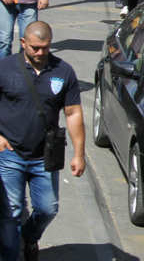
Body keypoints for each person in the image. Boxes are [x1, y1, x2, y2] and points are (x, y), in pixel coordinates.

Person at [0, 21, 85, 261]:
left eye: (45, 48)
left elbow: (73, 113)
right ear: (23, 43)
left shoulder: (63, 72)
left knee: (48, 209)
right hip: (9, 154)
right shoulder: (5, 68)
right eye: (35, 48)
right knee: (11, 212)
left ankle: (29, 236)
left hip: (45, 156)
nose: (40, 53)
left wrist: (79, 154)